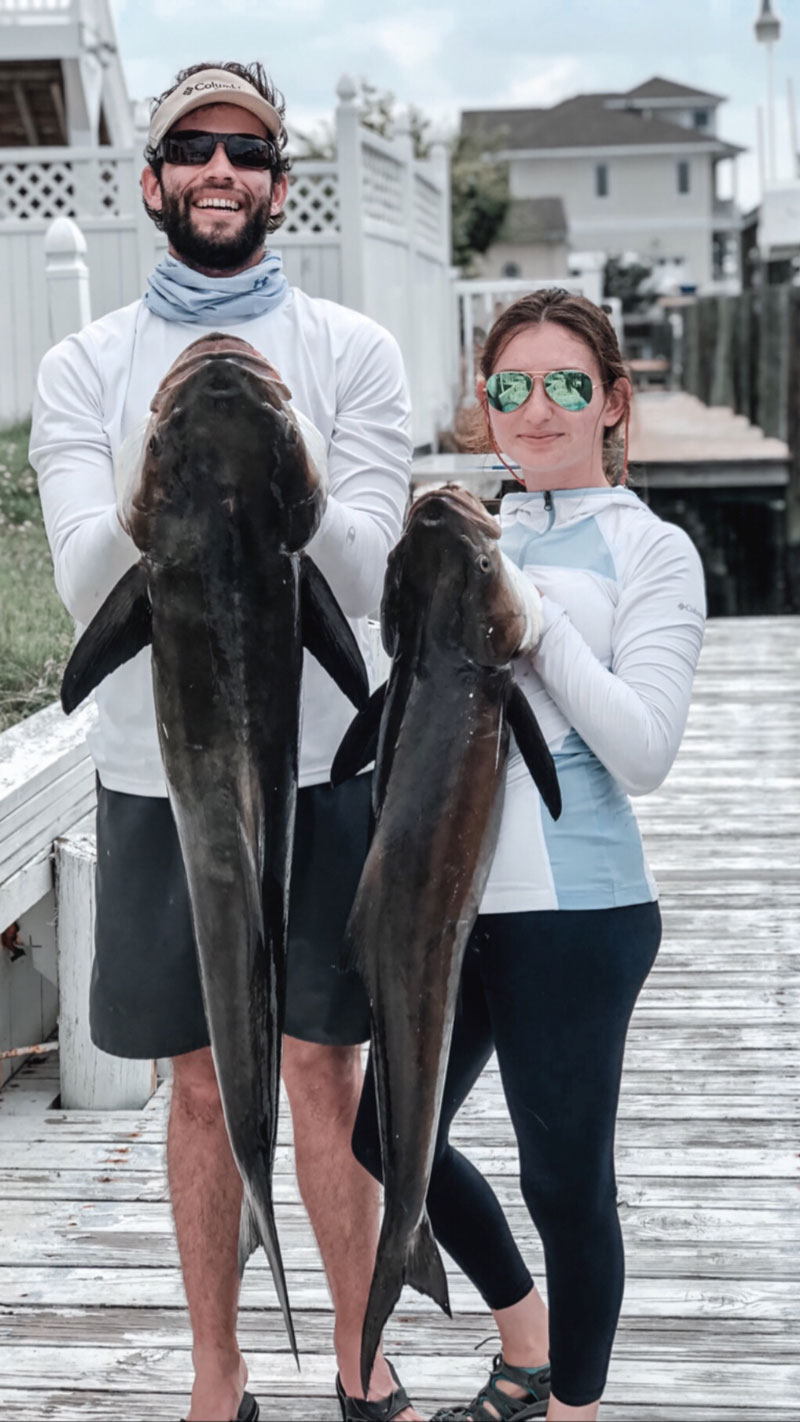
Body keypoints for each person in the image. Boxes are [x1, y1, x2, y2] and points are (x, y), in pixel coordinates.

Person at [30, 61, 420, 1422]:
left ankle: (362, 1353)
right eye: (191, 148)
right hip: (155, 783)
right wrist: (173, 460)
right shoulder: (77, 366)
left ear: (277, 187)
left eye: (244, 151)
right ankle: (219, 1369)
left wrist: (276, 446)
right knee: (197, 1083)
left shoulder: (356, 353)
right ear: (152, 181)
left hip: (322, 771)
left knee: (326, 1065)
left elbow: (361, 585)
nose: (217, 170)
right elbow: (92, 591)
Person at [352, 288, 707, 1421]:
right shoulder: (467, 530)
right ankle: (522, 1336)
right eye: (511, 387)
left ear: (612, 401)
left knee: (563, 1181)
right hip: (441, 909)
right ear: (483, 407)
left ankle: (571, 1409)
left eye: (566, 385)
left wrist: (534, 622)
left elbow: (643, 752)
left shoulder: (652, 551)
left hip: (576, 912)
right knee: (380, 1136)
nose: (537, 408)